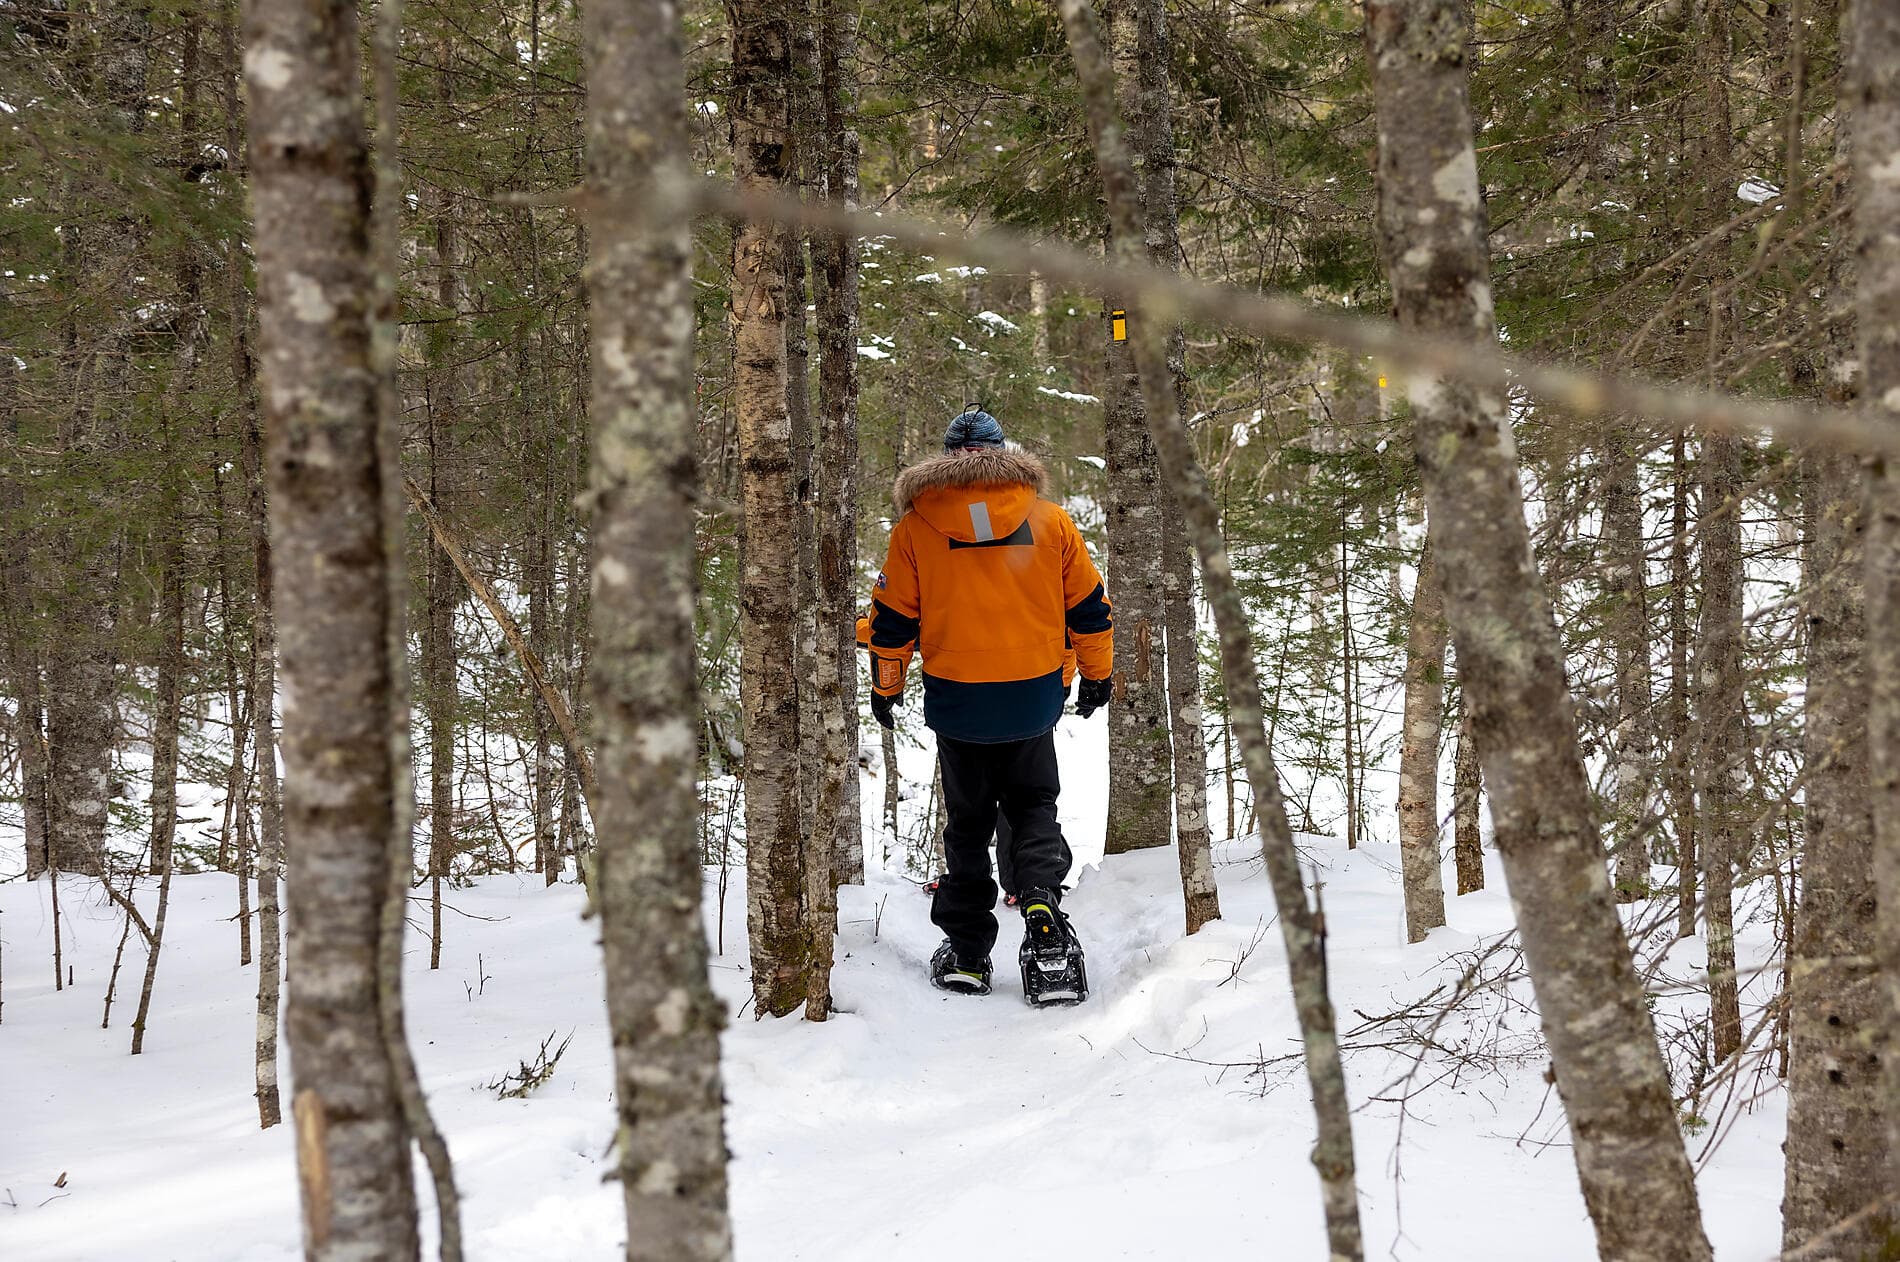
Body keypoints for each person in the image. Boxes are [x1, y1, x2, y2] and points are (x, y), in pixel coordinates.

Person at [864, 408, 1113, 1001]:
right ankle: (1042, 917)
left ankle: (970, 953)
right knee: (1033, 806)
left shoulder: (917, 528)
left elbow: (894, 620)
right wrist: (1097, 677)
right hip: (1032, 696)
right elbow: (1089, 609)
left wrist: (887, 686)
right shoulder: (1050, 521)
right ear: (1005, 455)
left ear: (947, 461)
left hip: (958, 698)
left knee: (968, 825)